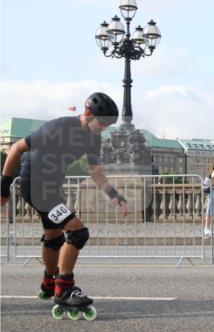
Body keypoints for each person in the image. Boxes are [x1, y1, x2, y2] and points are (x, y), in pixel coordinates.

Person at [0, 92, 128, 319]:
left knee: (54, 238)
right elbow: (16, 149)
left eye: (109, 125)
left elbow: (95, 172)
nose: (104, 128)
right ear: (88, 114)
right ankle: (64, 288)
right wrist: (3, 188)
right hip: (36, 185)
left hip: (52, 188)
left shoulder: (93, 138)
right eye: (103, 122)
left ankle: (50, 281)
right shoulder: (58, 128)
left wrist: (112, 193)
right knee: (78, 232)